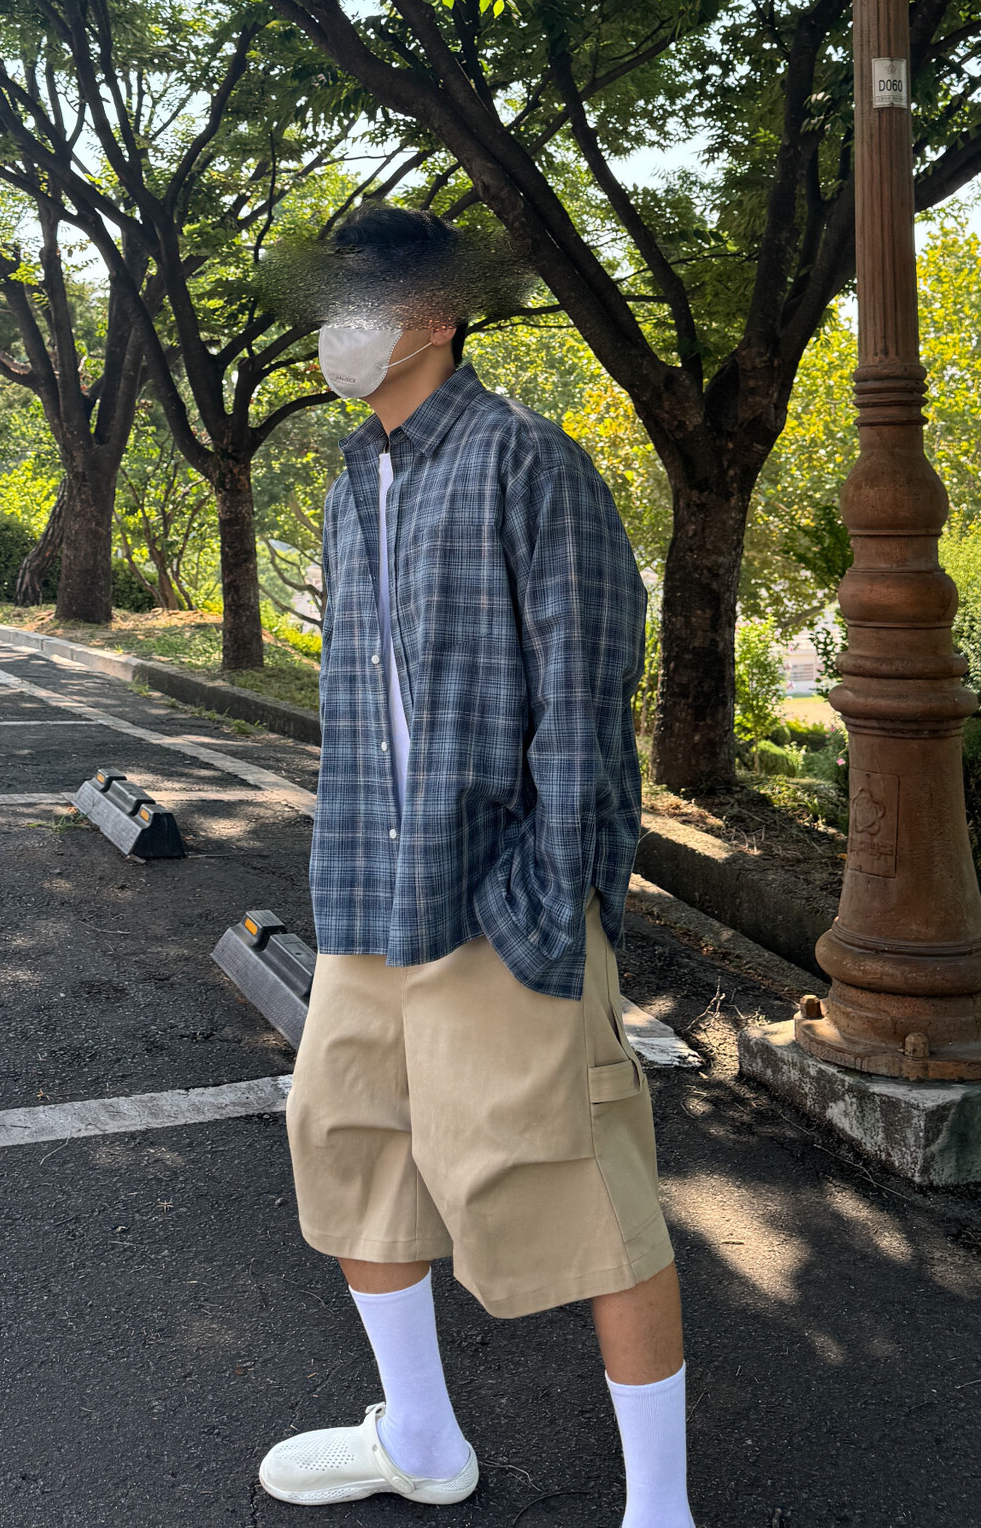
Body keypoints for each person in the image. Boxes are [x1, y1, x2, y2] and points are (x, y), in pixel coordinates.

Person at [257, 203, 695, 1525]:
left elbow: (588, 701)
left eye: (365, 297)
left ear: (439, 314)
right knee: (348, 1151)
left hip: (499, 898)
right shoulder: (351, 481)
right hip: (366, 899)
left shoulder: (528, 461)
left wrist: (546, 899)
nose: (339, 326)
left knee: (579, 1182)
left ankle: (661, 1510)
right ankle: (422, 1437)